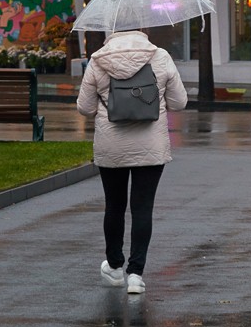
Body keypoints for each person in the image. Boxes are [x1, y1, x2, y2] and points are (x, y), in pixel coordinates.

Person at [77, 30, 187, 295]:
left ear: (111, 30)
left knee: (114, 206)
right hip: (150, 145)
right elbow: (179, 102)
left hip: (110, 144)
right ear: (143, 30)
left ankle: (114, 267)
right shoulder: (160, 57)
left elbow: (84, 107)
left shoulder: (98, 60)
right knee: (142, 208)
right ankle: (136, 274)